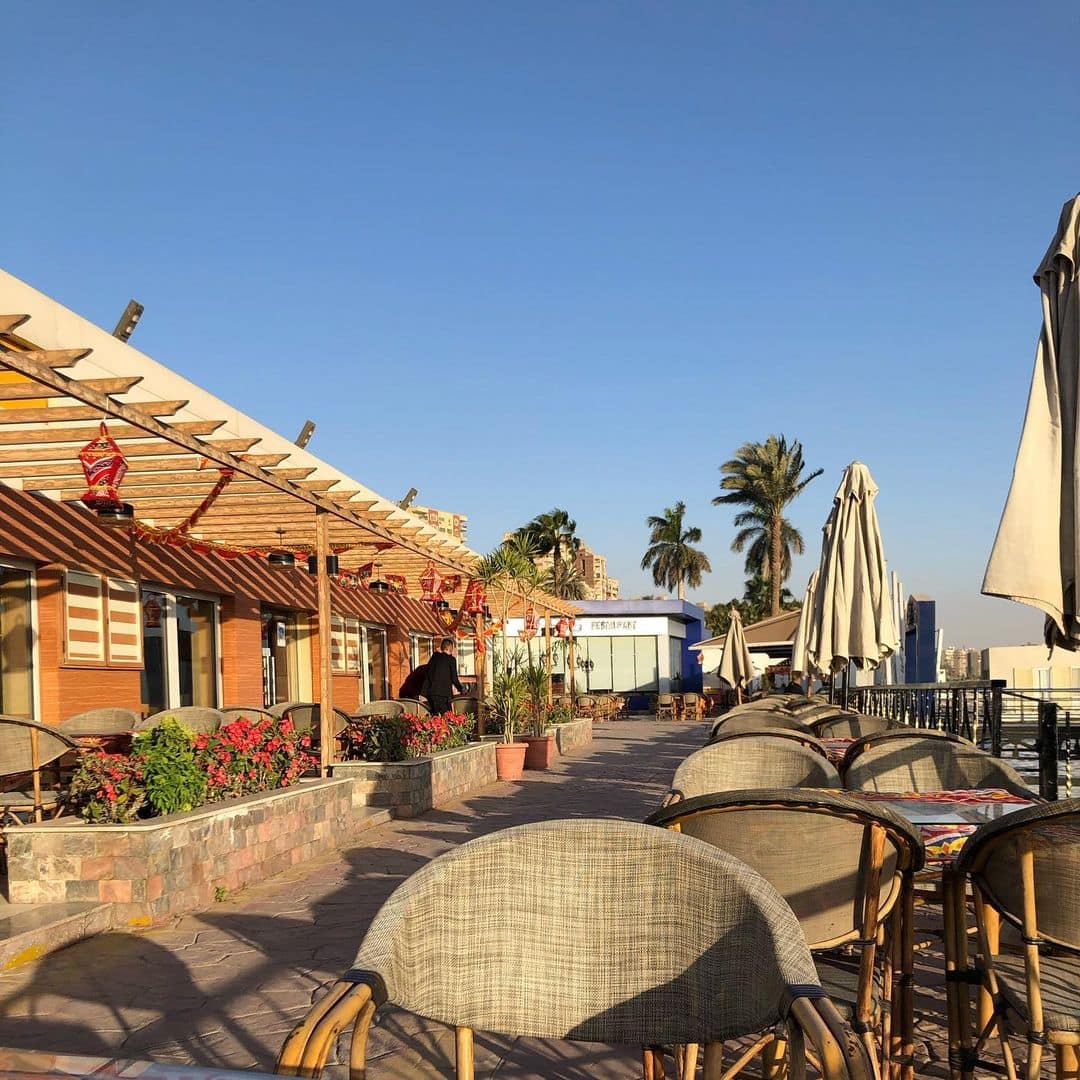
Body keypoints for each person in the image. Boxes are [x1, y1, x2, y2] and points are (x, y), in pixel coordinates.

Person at [422, 637, 463, 715]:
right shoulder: (451, 660)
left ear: (442, 647)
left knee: (435, 715)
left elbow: (428, 673)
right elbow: (454, 678)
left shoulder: (434, 657)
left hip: (430, 693)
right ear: (451, 648)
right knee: (447, 716)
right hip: (443, 694)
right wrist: (461, 689)